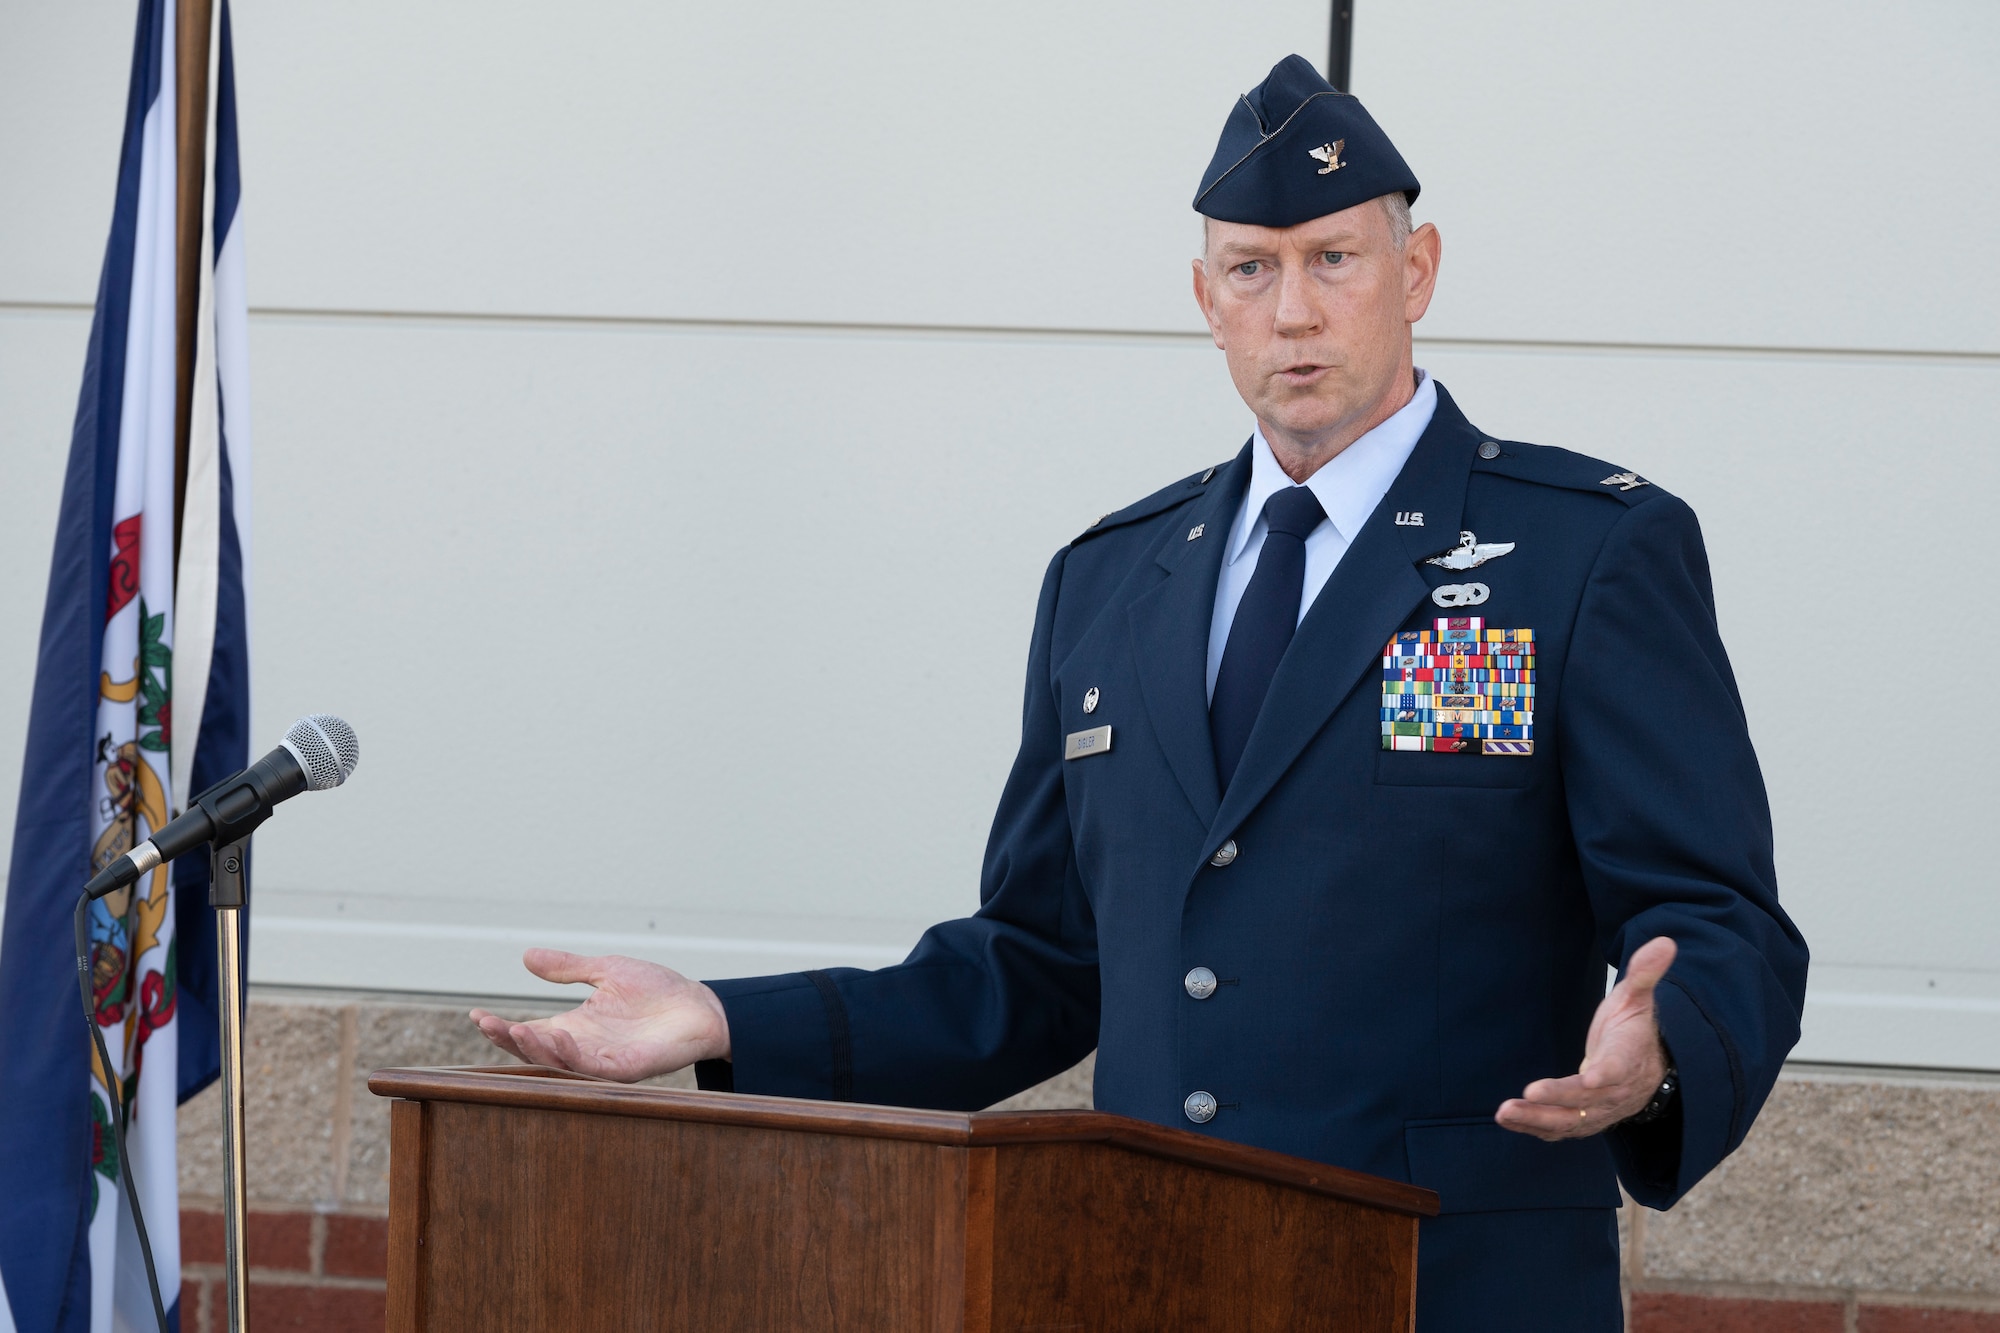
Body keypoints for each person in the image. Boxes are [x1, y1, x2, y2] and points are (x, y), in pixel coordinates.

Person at [472, 54, 1808, 1328]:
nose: (1294, 309)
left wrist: (1664, 1048)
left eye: (1335, 258)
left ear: (1419, 269)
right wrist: (717, 1016)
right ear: (1203, 294)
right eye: (1253, 268)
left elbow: (1717, 913)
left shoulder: (1582, 550)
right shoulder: (1110, 583)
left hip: (1445, 1288)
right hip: (1160, 1282)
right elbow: (1038, 966)